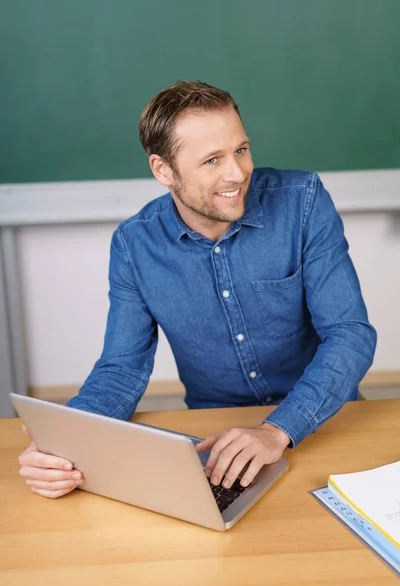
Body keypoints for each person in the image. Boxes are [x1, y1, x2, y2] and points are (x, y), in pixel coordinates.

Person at [18, 81, 377, 499]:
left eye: (241, 150)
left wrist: (277, 429)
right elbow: (121, 370)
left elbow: (350, 334)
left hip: (324, 420)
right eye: (212, 160)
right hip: (215, 439)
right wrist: (63, 448)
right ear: (163, 170)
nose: (237, 173)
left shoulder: (304, 203)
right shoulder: (135, 245)